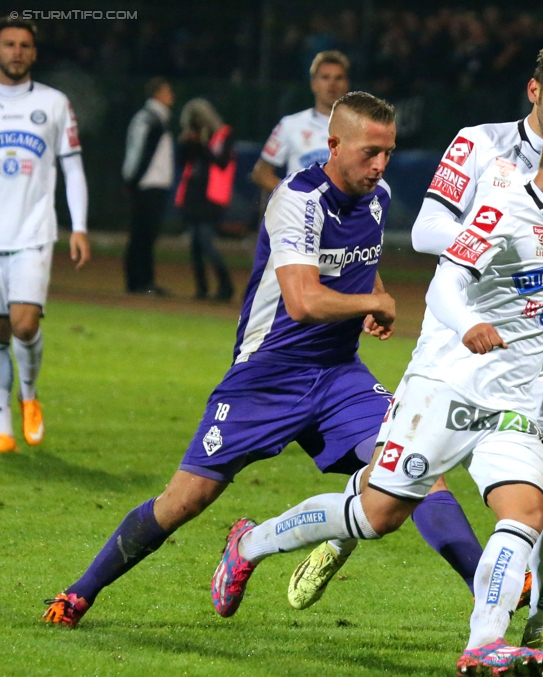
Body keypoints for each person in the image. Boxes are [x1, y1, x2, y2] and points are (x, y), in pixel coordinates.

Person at [211, 107, 543, 677]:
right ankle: (250, 543)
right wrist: (467, 325)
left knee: (527, 511)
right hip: (446, 389)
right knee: (376, 514)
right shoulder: (503, 209)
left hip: (511, 401)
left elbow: (535, 315)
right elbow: (444, 286)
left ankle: (485, 643)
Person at [300, 38, 543, 666]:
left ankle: (538, 631)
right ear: (535, 92)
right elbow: (425, 232)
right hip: (462, 335)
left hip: (531, 341)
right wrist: (499, 234)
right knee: (388, 502)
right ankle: (340, 530)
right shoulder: (479, 144)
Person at [42, 92, 399, 628]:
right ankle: (80, 592)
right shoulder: (297, 193)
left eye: (388, 153)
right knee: (184, 500)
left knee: (407, 471)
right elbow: (301, 301)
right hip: (265, 377)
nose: (381, 164)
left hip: (335, 373)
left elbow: (358, 253)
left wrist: (372, 292)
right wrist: (371, 301)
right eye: (372, 151)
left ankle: (490, 614)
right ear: (335, 142)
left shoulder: (377, 196)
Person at [0, 18, 90, 453]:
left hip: (33, 232)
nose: (16, 51)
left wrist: (80, 226)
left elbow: (72, 167)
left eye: (24, 45)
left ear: (34, 53)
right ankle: (2, 422)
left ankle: (29, 396)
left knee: (23, 322)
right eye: (9, 44)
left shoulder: (54, 103)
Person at [252, 50, 350, 192]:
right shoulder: (290, 125)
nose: (332, 84)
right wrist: (292, 198)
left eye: (338, 78)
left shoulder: (360, 129)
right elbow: (261, 173)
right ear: (314, 84)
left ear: (347, 84)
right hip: (300, 214)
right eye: (325, 77)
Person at [175, 98, 236, 302]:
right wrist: (186, 143)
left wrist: (200, 144)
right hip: (193, 194)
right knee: (195, 244)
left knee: (205, 242)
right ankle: (202, 288)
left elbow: (221, 162)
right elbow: (183, 161)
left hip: (211, 197)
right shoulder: (193, 136)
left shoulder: (224, 135)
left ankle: (225, 285)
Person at [122, 76, 175, 295]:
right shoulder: (153, 120)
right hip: (149, 185)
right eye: (168, 91)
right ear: (158, 95)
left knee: (143, 235)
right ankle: (141, 282)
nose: (172, 95)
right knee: (143, 236)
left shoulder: (148, 118)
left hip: (147, 184)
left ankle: (140, 281)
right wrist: (134, 182)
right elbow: (143, 154)